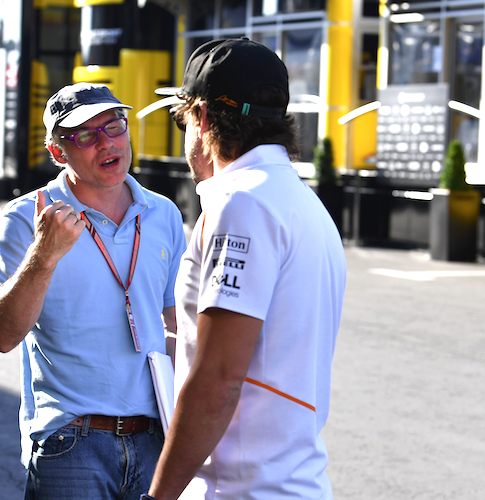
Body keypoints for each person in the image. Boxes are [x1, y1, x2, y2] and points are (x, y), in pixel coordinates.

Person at [142, 38, 347, 500]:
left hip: (243, 488)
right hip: (287, 481)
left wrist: (157, 497)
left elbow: (218, 380)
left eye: (182, 121)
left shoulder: (243, 203)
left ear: (204, 117)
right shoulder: (301, 201)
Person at [0, 82, 186, 500]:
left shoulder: (162, 213)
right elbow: (2, 335)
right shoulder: (28, 216)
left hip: (154, 436)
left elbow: (177, 323)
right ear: (58, 152)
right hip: (72, 442)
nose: (107, 144)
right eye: (86, 136)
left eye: (114, 127)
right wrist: (44, 254)